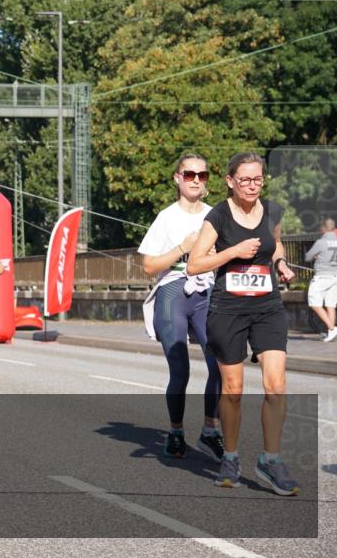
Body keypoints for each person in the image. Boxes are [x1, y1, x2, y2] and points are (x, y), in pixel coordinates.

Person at [187, 152, 298, 495]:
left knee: (276, 383)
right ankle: (231, 457)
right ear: (230, 181)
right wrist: (233, 251)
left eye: (258, 179)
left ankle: (270, 459)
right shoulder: (217, 217)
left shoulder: (273, 210)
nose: (253, 185)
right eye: (245, 179)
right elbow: (194, 265)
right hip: (228, 309)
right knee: (233, 390)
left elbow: (274, 242)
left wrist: (280, 262)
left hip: (267, 307)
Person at [138, 154, 223, 461]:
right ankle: (175, 432)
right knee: (181, 369)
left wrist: (216, 254)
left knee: (220, 366)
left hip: (207, 291)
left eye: (202, 175)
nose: (196, 180)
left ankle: (210, 431)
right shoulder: (166, 217)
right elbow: (149, 266)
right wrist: (183, 249)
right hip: (173, 291)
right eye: (189, 174)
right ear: (177, 178)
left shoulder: (218, 214)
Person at [305, 218, 337, 342]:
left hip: (322, 276)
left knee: (314, 303)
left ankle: (332, 328)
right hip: (335, 276)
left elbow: (308, 257)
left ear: (324, 228)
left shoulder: (321, 241)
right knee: (330, 304)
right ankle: (331, 332)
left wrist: (315, 257)